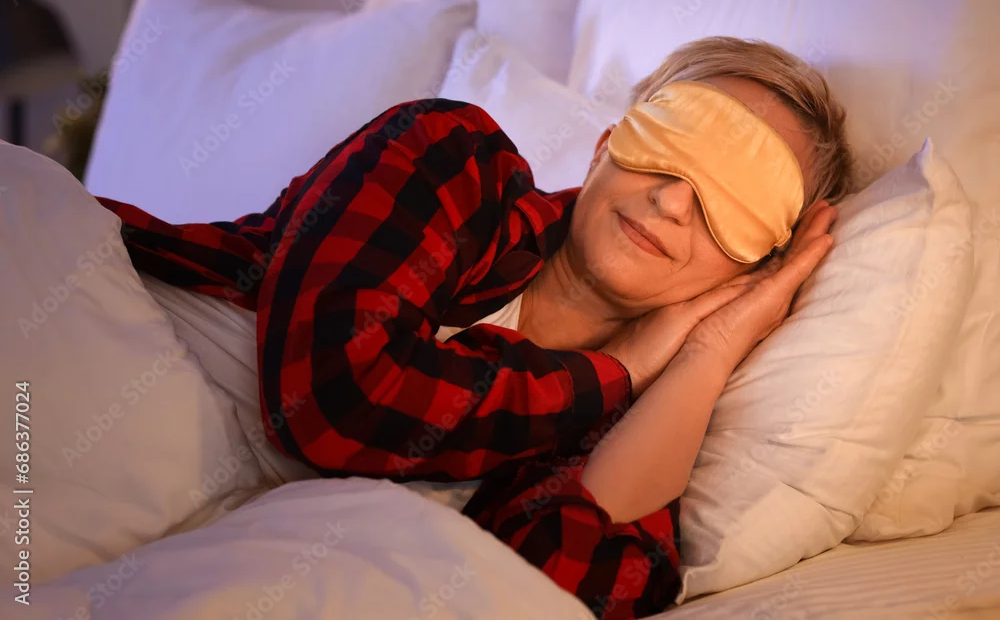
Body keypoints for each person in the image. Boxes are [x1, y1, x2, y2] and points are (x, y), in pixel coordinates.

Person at [96, 36, 854, 619]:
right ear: (608, 144)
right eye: (674, 144)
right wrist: (618, 368)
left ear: (751, 272)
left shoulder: (621, 429)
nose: (675, 202)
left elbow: (552, 586)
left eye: (736, 203)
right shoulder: (451, 156)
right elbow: (330, 398)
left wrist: (708, 352)